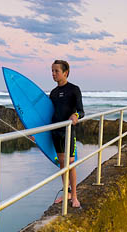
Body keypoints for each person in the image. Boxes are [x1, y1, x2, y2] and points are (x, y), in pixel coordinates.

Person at [50, 59, 84, 208]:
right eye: (52, 71)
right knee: (62, 163)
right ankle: (67, 192)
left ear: (66, 72)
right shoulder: (53, 93)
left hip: (68, 131)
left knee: (70, 164)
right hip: (55, 132)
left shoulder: (74, 89)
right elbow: (48, 114)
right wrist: (37, 134)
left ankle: (74, 196)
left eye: (56, 71)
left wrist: (76, 116)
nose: (53, 74)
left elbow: (81, 111)